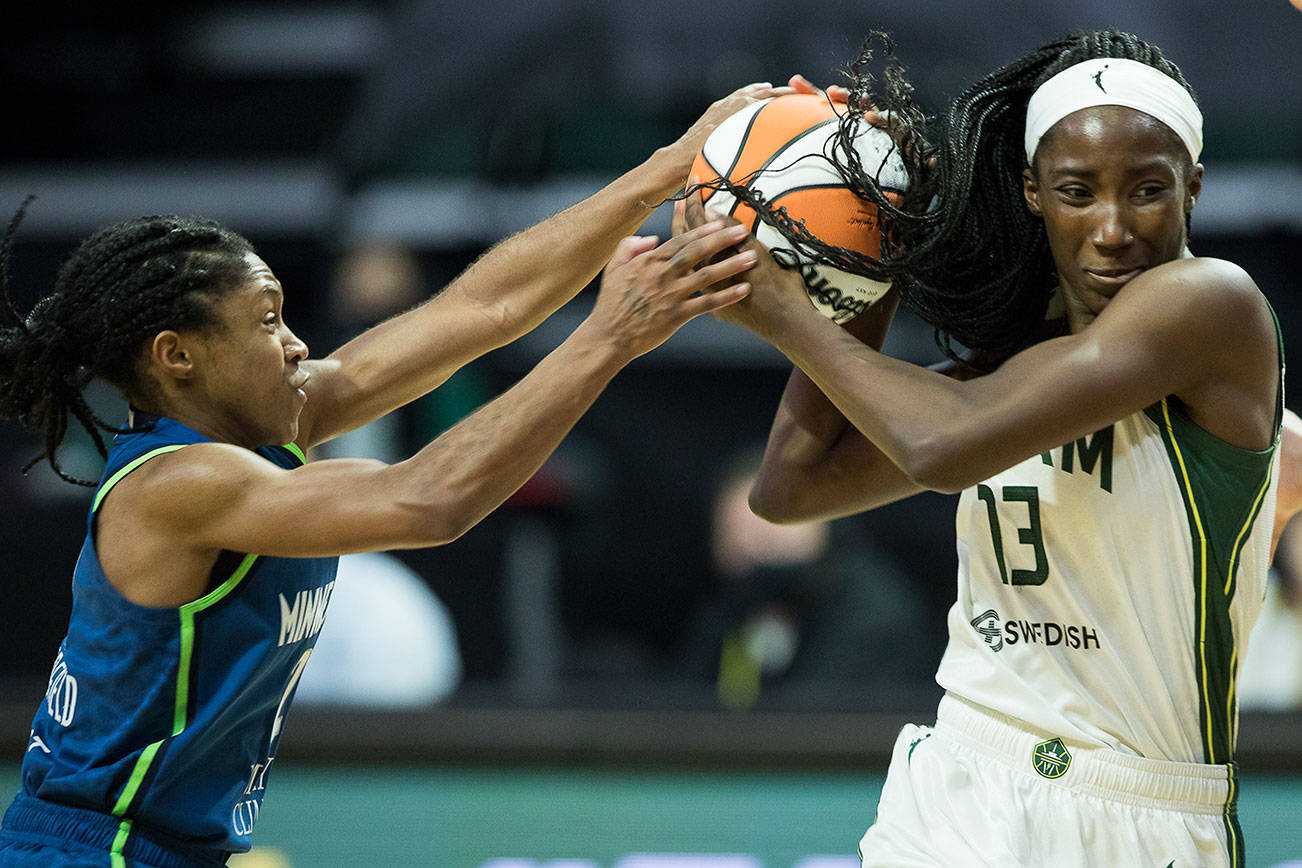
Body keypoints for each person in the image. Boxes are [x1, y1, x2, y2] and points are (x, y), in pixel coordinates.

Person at [0, 79, 787, 867]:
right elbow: (429, 500)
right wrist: (609, 337)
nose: (298, 344)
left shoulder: (267, 425)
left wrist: (667, 168)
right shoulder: (177, 487)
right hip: (98, 850)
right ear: (178, 357)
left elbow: (484, 308)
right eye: (269, 321)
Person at [680, 30, 1283, 867]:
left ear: (1194, 189)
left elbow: (940, 449)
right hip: (968, 775)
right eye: (1078, 192)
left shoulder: (1212, 306)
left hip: (1138, 810)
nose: (1112, 229)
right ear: (1035, 194)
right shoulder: (1007, 373)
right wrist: (864, 250)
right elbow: (791, 487)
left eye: (1147, 191)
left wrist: (787, 317)